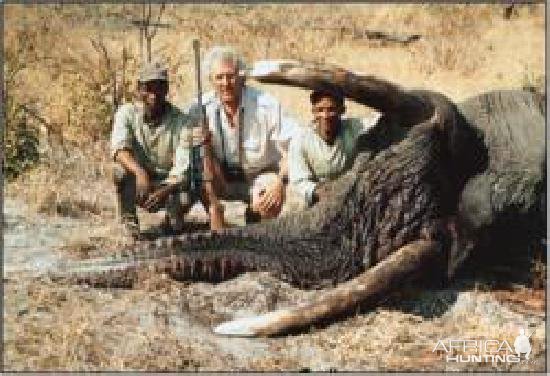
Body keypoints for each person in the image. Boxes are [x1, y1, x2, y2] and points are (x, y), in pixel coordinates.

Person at [187, 46, 299, 225]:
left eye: (231, 76)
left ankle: (259, 228)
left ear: (242, 77)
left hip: (258, 177)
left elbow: (295, 146)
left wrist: (280, 182)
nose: (225, 83)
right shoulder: (199, 108)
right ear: (211, 80)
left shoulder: (266, 105)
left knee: (268, 199)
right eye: (219, 77)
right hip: (221, 179)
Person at [110, 60, 198, 237]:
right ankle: (129, 222)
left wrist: (164, 190)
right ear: (139, 89)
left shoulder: (182, 121)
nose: (154, 94)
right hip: (140, 182)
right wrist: (139, 173)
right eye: (148, 87)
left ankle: (173, 219)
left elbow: (182, 166)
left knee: (189, 186)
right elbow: (119, 150)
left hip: (168, 185)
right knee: (119, 171)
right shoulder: (127, 113)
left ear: (166, 89)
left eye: (159, 87)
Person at [288, 85, 380, 209]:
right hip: (317, 197)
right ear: (313, 112)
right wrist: (319, 191)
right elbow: (299, 181)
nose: (325, 116)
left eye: (331, 109)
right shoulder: (301, 139)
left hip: (350, 192)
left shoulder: (356, 128)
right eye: (320, 110)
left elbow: (380, 119)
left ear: (342, 110)